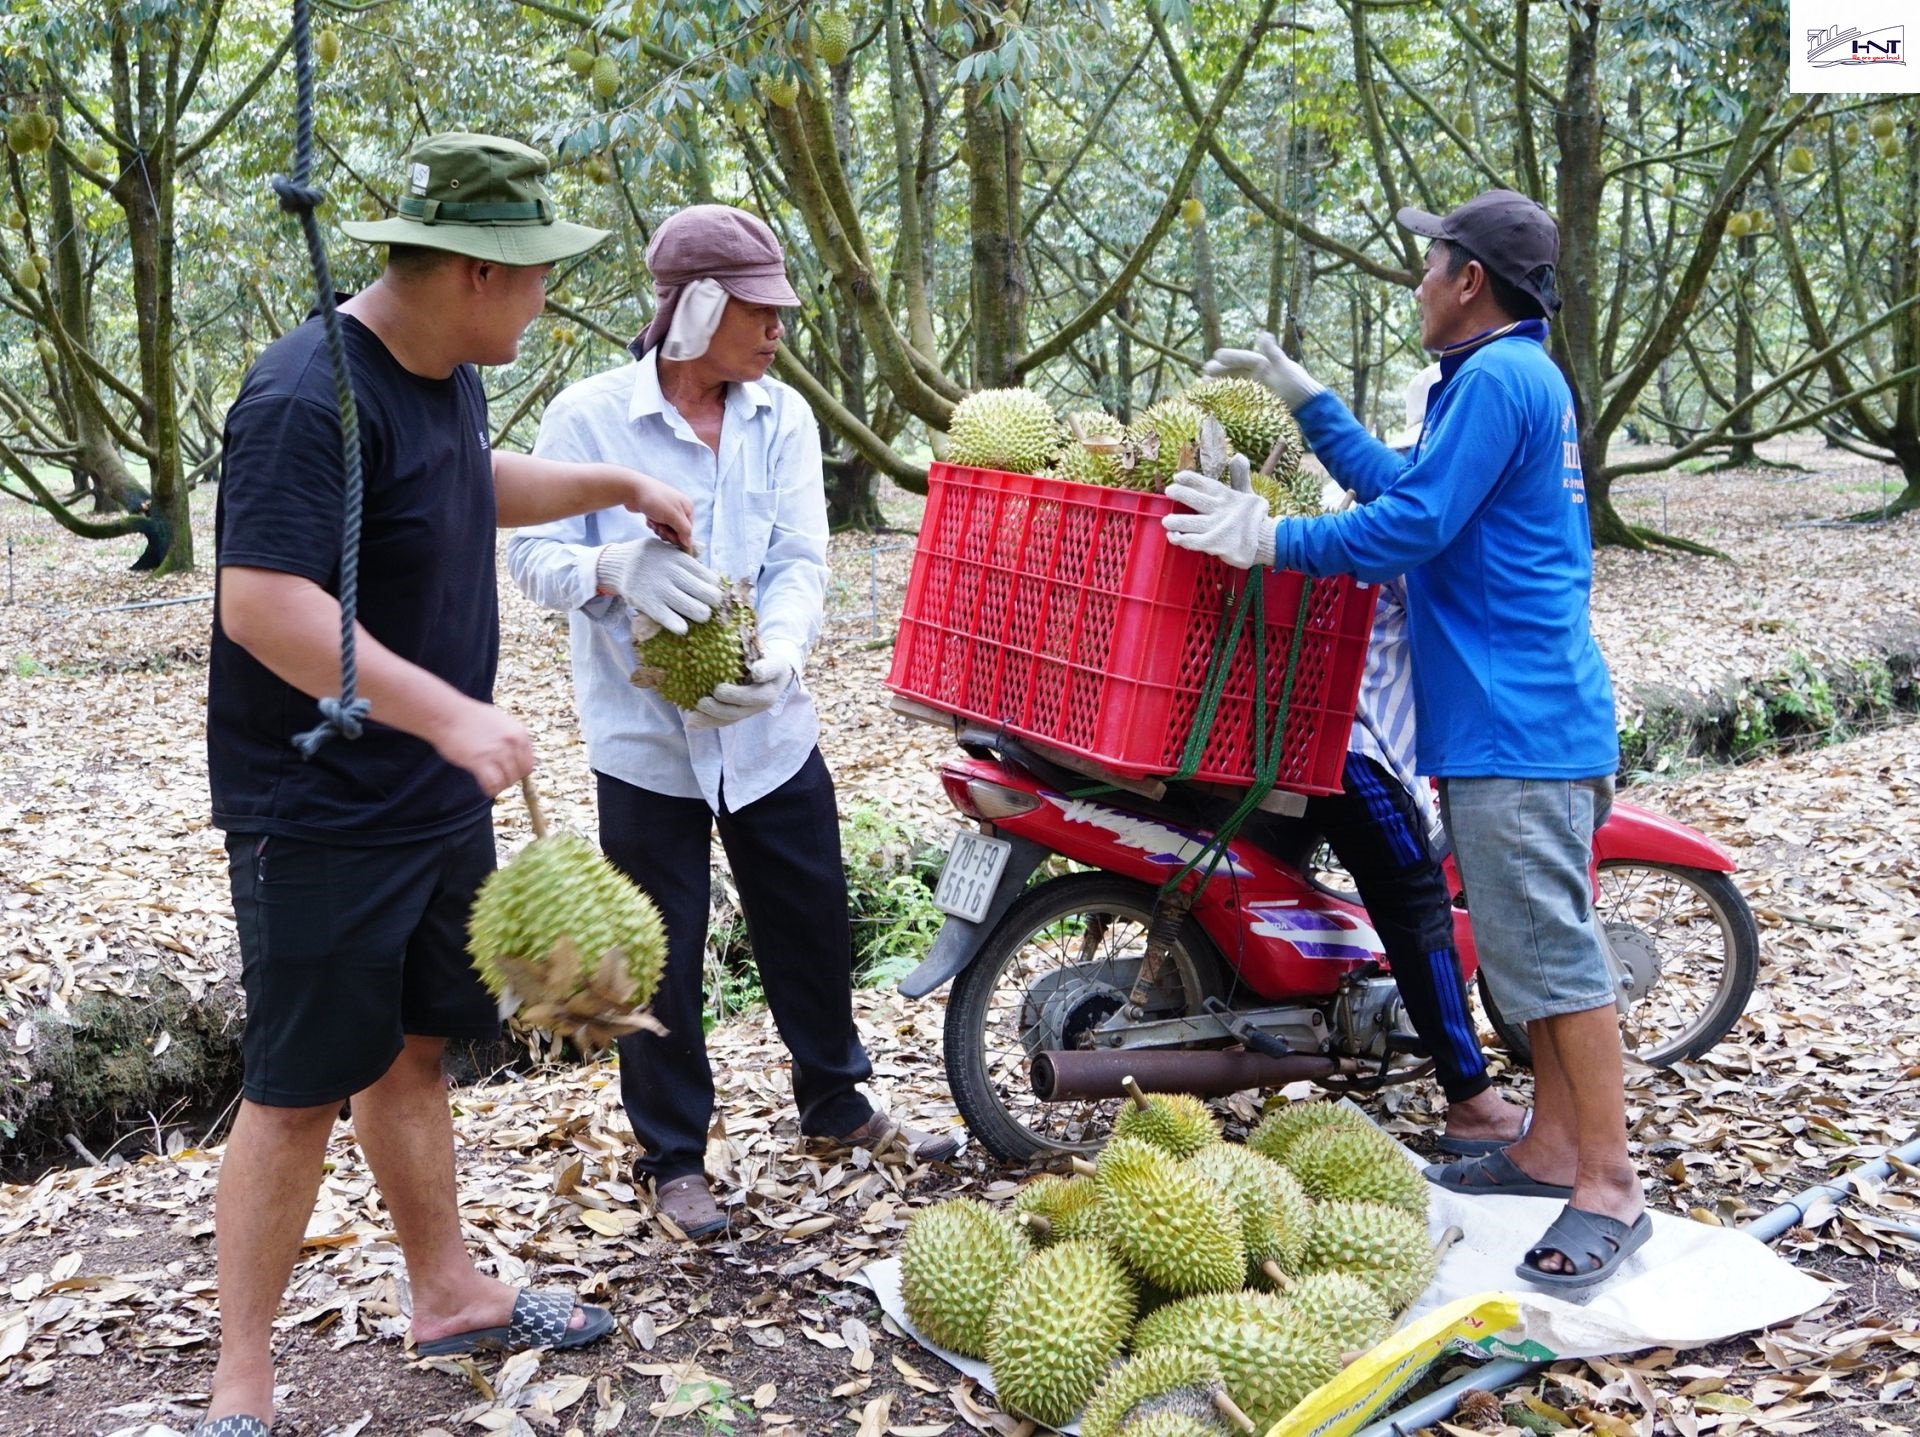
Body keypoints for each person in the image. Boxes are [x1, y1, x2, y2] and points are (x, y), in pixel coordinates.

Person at [198, 133, 698, 1436]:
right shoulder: (307, 397)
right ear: (478, 273)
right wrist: (450, 713)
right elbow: (263, 606)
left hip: (431, 793)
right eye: (536, 278)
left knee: (414, 1049)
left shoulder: (445, 371)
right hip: (319, 808)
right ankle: (240, 1386)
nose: (548, 302)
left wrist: (618, 486)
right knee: (300, 1084)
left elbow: (460, 487)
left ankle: (449, 1292)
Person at [1162, 189, 1646, 1291]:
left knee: (1554, 962)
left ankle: (1609, 1183)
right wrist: (1313, 403)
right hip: (1513, 717)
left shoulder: (1502, 379)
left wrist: (1271, 538)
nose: (1418, 283)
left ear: (1468, 278)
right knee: (1528, 951)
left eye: (1429, 264)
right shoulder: (1502, 381)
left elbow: (1414, 527)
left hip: (1519, 725)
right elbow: (1410, 489)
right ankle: (1549, 1148)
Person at [506, 204, 959, 1244]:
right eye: (762, 313)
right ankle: (673, 1157)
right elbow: (529, 559)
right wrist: (610, 566)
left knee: (808, 917)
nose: (778, 334)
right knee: (656, 952)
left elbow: (801, 557)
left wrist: (784, 651)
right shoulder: (588, 421)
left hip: (772, 732)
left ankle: (838, 1102)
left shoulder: (781, 417)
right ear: (698, 306)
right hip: (644, 743)